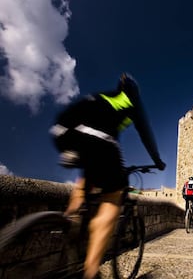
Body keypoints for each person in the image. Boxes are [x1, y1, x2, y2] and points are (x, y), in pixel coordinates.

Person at [50, 72, 165, 279]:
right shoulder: (131, 103)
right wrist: (157, 161)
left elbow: (72, 115)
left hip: (65, 132)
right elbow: (146, 136)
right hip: (100, 140)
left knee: (89, 174)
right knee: (113, 197)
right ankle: (91, 270)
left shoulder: (101, 96)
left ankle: (71, 218)